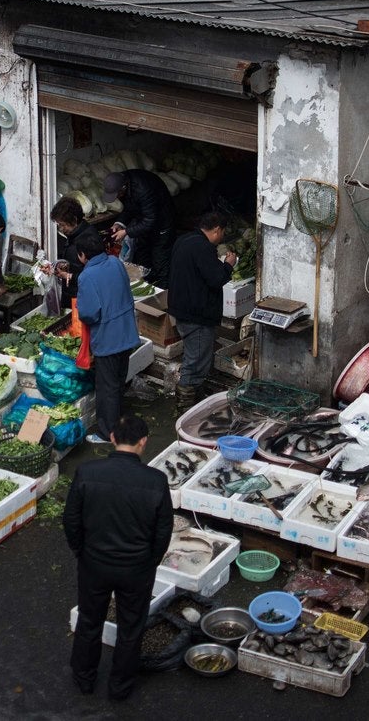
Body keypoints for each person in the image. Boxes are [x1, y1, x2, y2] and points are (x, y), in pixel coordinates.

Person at [63, 414, 173, 702]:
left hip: (94, 563)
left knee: (89, 621)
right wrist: (150, 561)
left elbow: (71, 521)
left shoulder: (87, 472)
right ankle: (120, 687)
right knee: (131, 627)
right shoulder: (157, 481)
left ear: (112, 438)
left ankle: (84, 680)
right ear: (143, 442)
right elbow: (163, 532)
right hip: (136, 568)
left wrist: (81, 551)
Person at [74, 228, 140, 445]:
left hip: (108, 338)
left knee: (107, 387)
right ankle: (117, 419)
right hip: (126, 332)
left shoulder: (87, 276)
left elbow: (89, 313)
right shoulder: (115, 262)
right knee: (119, 380)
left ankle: (106, 433)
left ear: (83, 255)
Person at [167, 212, 238, 409]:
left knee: (194, 357)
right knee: (195, 363)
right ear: (217, 230)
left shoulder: (185, 240)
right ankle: (184, 408)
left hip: (182, 309)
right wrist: (228, 265)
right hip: (196, 315)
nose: (222, 236)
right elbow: (216, 279)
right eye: (222, 232)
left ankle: (194, 399)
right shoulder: (203, 247)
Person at [102, 168, 175, 285]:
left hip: (162, 223)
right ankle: (146, 284)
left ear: (123, 188)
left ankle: (163, 292)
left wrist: (125, 232)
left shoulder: (143, 190)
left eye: (117, 194)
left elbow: (150, 220)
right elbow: (129, 209)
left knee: (160, 259)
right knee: (142, 256)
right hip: (145, 222)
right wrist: (119, 224)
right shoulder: (124, 185)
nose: (117, 197)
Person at [49, 197, 85, 311]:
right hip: (71, 292)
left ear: (74, 220)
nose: (61, 228)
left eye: (63, 225)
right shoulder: (73, 235)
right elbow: (73, 263)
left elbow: (92, 276)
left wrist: (68, 276)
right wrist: (58, 267)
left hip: (81, 296)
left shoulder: (86, 240)